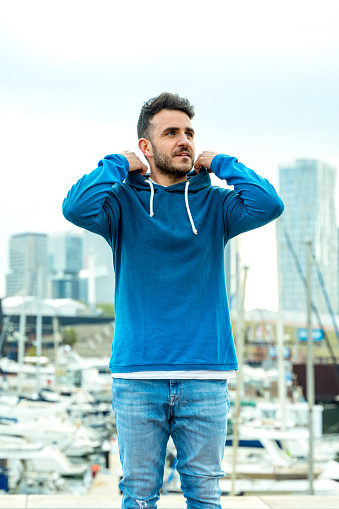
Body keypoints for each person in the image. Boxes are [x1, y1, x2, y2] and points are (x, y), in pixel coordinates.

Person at [63, 92, 284, 509]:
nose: (185, 140)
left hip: (205, 374)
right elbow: (76, 208)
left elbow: (268, 204)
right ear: (146, 147)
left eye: (189, 132)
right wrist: (116, 163)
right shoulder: (121, 205)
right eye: (171, 133)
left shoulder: (217, 204)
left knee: (204, 493)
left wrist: (221, 163)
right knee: (139, 493)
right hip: (136, 375)